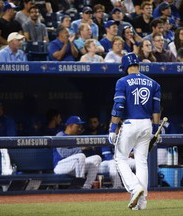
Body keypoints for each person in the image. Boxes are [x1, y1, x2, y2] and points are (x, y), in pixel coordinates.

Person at [108, 53, 161, 210]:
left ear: (125, 67)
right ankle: (142, 202)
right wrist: (156, 129)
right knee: (142, 162)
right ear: (138, 65)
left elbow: (119, 106)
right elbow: (156, 110)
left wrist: (112, 128)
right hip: (147, 124)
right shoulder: (153, 83)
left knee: (120, 159)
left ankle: (134, 187)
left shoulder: (122, 81)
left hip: (130, 123)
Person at [53, 115, 102, 189]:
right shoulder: (60, 135)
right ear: (70, 126)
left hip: (74, 167)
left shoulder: (77, 136)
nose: (79, 128)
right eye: (77, 126)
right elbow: (63, 153)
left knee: (96, 158)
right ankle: (78, 185)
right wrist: (81, 148)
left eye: (80, 126)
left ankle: (86, 187)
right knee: (80, 156)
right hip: (60, 166)